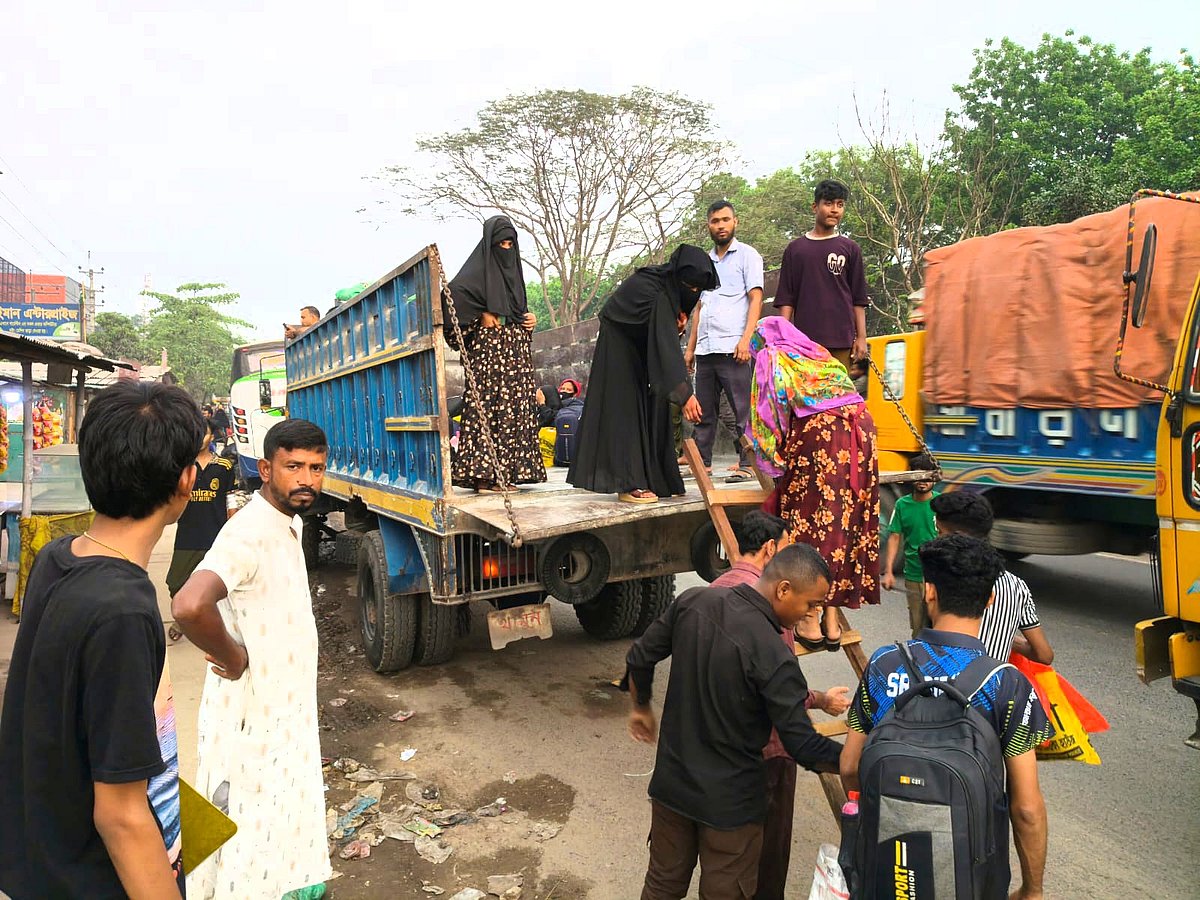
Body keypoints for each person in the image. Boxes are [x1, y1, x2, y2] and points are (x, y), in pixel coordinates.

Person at [0, 381, 204, 898]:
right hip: (89, 878)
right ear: (186, 479)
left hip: (44, 855)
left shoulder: (60, 557)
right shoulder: (123, 613)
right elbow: (121, 816)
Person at [625, 543, 845, 899]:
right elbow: (802, 744)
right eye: (811, 605)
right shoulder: (775, 654)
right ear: (783, 589)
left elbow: (639, 657)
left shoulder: (695, 601)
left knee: (661, 887)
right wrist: (855, 762)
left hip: (672, 789)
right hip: (731, 809)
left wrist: (640, 707)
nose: (810, 615)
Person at [840, 534, 1053, 900]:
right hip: (973, 879)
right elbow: (1027, 808)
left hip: (886, 873)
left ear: (929, 592)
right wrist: (1032, 889)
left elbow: (849, 765)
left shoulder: (883, 664)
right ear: (988, 600)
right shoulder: (1006, 684)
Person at [172, 418, 332, 899]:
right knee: (241, 808)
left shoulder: (289, 521)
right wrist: (234, 657)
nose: (306, 479)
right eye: (293, 467)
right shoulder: (247, 532)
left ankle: (279, 882)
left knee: (275, 805)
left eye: (316, 468)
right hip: (249, 712)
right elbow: (189, 604)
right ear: (266, 468)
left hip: (283, 705)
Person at [712, 511, 851, 900]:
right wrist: (821, 704)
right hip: (770, 749)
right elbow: (778, 687)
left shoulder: (716, 589)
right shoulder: (776, 607)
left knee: (727, 850)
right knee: (768, 852)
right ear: (772, 549)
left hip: (721, 746)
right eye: (789, 546)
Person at [748, 316, 878, 649]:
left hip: (824, 434)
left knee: (808, 520)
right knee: (846, 523)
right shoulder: (817, 353)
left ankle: (807, 620)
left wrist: (771, 461)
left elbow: (768, 414)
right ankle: (831, 621)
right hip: (861, 429)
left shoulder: (772, 355)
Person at [568, 245, 718, 503]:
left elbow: (665, 336)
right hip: (619, 344)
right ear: (677, 276)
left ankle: (658, 476)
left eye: (697, 290)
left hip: (641, 344)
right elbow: (668, 350)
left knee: (655, 400)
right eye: (689, 287)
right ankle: (629, 481)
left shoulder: (669, 289)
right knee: (626, 408)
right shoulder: (658, 291)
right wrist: (685, 394)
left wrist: (677, 327)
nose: (692, 293)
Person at [443, 215, 545, 493]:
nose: (507, 248)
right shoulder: (471, 278)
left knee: (513, 412)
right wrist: (480, 316)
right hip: (488, 358)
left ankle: (505, 475)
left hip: (516, 359)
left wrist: (529, 321)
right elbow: (451, 301)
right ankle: (483, 477)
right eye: (501, 243)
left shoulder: (515, 280)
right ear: (489, 246)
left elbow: (517, 312)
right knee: (487, 410)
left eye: (511, 243)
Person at [684, 201, 764, 483]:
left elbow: (756, 299)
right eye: (715, 221)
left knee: (743, 408)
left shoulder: (747, 256)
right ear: (709, 225)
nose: (721, 225)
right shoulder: (705, 262)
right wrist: (691, 348)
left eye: (725, 220)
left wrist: (747, 340)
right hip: (706, 348)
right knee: (704, 412)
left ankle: (748, 462)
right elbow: (700, 307)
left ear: (735, 222)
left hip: (734, 347)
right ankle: (703, 462)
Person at [932, 491, 1056, 665]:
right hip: (996, 687)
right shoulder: (1017, 586)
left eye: (939, 532)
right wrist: (1007, 637)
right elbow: (1044, 655)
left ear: (957, 537)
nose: (936, 538)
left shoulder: (944, 580)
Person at [773, 179, 869, 367]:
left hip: (842, 341)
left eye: (840, 205)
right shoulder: (795, 249)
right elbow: (786, 298)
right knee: (806, 396)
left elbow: (858, 299)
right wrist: (783, 340)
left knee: (839, 396)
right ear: (815, 207)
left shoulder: (850, 248)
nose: (834, 210)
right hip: (803, 344)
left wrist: (862, 338)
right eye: (828, 203)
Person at [165, 421, 237, 601]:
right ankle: (183, 619)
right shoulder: (182, 467)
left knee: (220, 585)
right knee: (175, 583)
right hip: (187, 536)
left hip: (216, 535)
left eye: (203, 433)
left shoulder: (224, 466)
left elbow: (231, 498)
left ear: (212, 436)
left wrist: (233, 528)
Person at [881, 453, 940, 637]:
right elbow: (894, 537)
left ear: (934, 478)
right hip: (913, 574)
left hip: (938, 575)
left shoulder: (940, 503)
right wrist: (889, 571)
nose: (922, 482)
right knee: (918, 626)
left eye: (926, 476)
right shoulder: (901, 505)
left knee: (939, 625)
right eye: (917, 476)